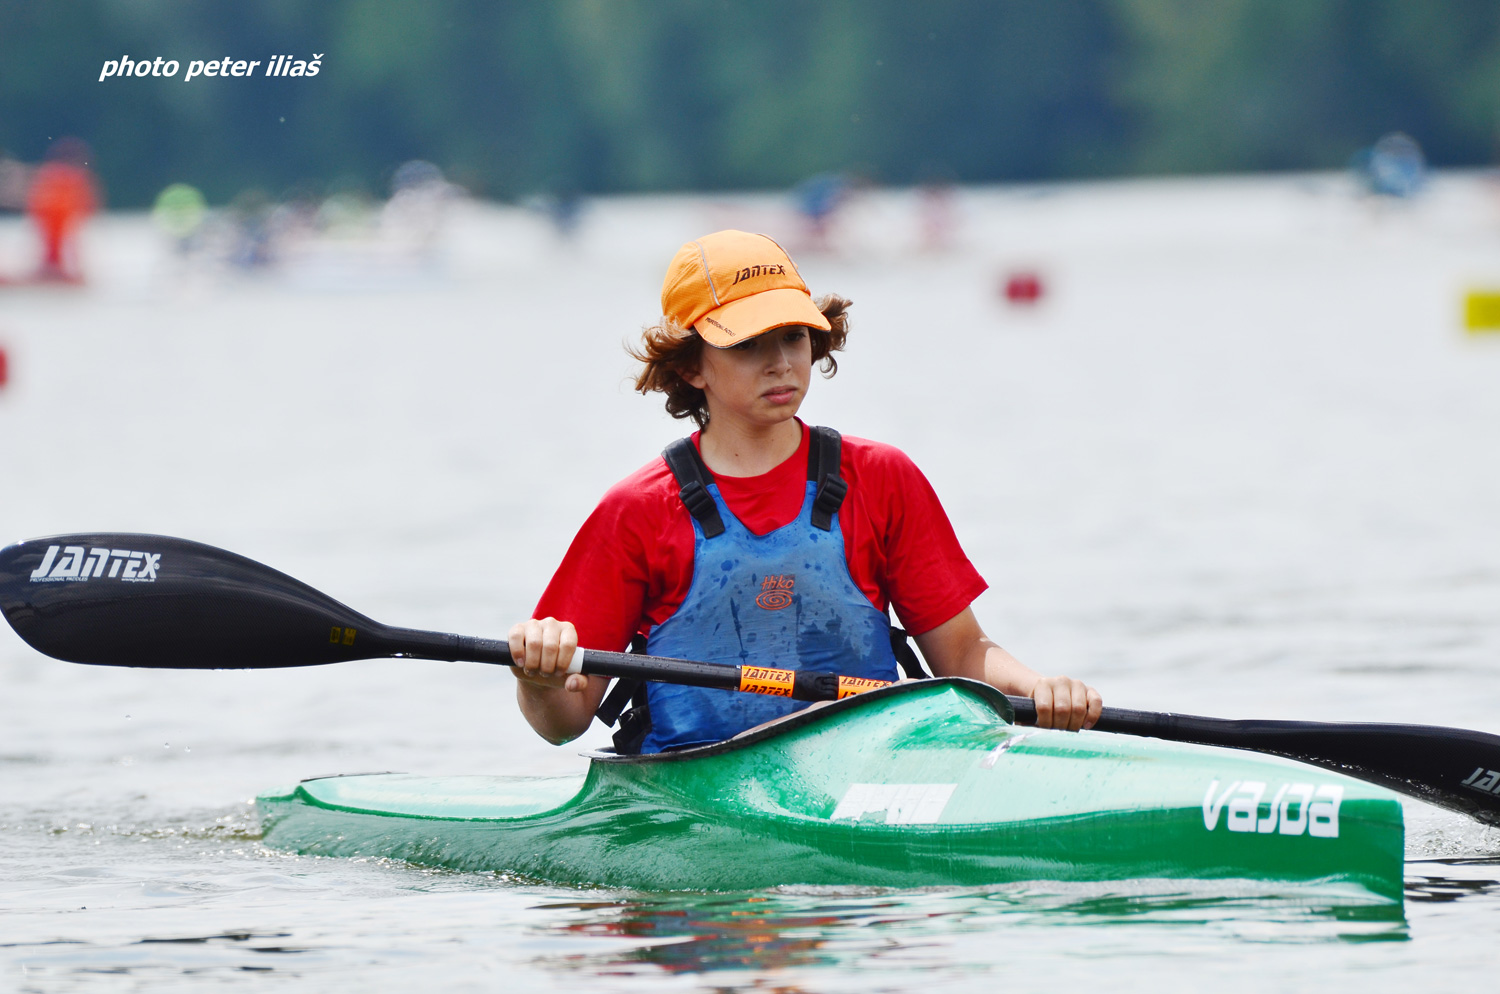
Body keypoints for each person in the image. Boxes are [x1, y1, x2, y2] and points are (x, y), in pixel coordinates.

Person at [509, 229, 1102, 752]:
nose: (781, 364)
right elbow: (563, 723)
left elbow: (964, 653)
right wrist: (538, 680)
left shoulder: (882, 477)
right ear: (691, 366)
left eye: (793, 337)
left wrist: (1037, 688)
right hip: (694, 784)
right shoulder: (636, 511)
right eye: (747, 345)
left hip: (872, 764)